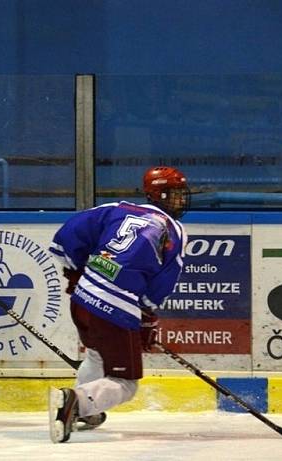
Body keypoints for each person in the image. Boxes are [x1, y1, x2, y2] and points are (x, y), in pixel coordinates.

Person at [47, 166, 190, 443]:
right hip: (115, 307)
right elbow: (163, 282)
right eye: (175, 194)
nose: (181, 200)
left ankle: (83, 412)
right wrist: (148, 318)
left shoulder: (117, 209)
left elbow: (67, 236)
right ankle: (75, 401)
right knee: (126, 384)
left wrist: (76, 271)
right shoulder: (174, 230)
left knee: (96, 356)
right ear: (159, 194)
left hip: (83, 299)